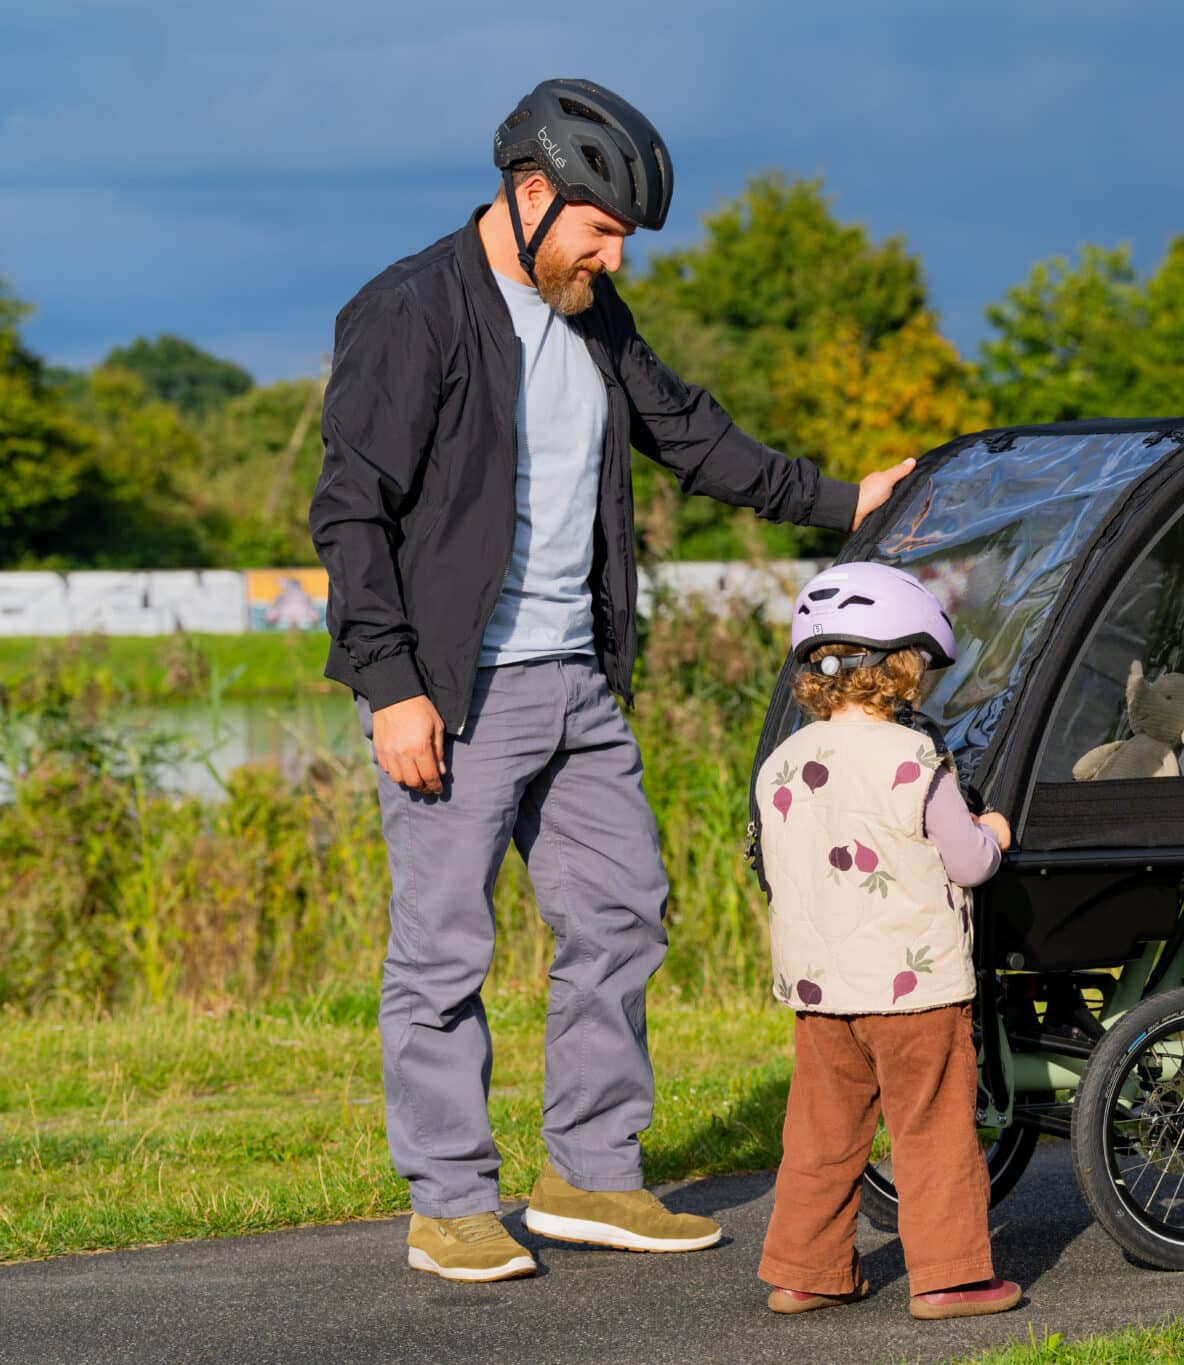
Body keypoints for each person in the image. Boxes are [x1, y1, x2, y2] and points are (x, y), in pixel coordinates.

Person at [309, 78, 916, 1284]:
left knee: (622, 913)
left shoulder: (586, 313)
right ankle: (449, 1202)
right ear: (530, 196)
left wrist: (839, 503)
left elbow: (692, 435)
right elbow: (350, 510)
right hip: (451, 691)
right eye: (598, 227)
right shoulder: (411, 311)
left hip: (576, 681)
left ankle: (589, 1172)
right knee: (440, 953)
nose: (615, 253)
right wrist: (389, 687)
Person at [752, 563, 1023, 1321]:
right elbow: (966, 861)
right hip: (915, 988)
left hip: (821, 993)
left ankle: (806, 1272)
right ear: (902, 670)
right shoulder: (914, 761)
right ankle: (951, 1278)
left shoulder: (780, 764)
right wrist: (994, 832)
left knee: (821, 1135)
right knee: (931, 1129)